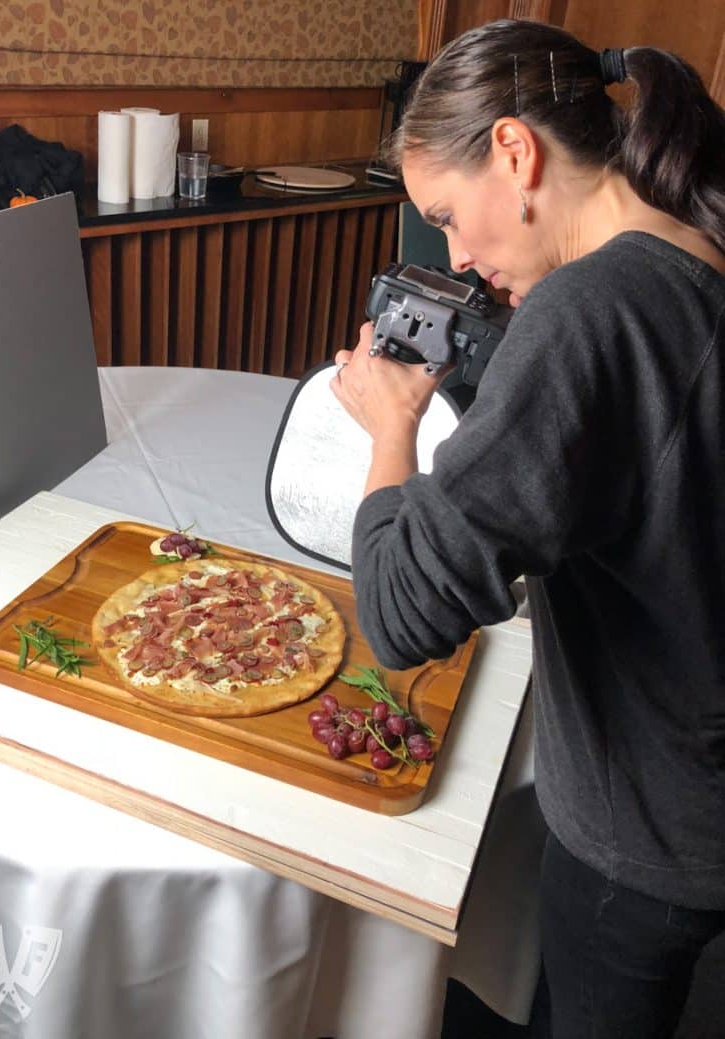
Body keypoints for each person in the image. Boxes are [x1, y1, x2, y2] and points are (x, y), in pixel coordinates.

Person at [330, 19, 725, 1039]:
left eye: (450, 215)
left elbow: (403, 606)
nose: (456, 255)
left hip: (648, 829)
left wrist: (393, 425)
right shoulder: (692, 244)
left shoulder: (591, 311)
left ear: (516, 151)